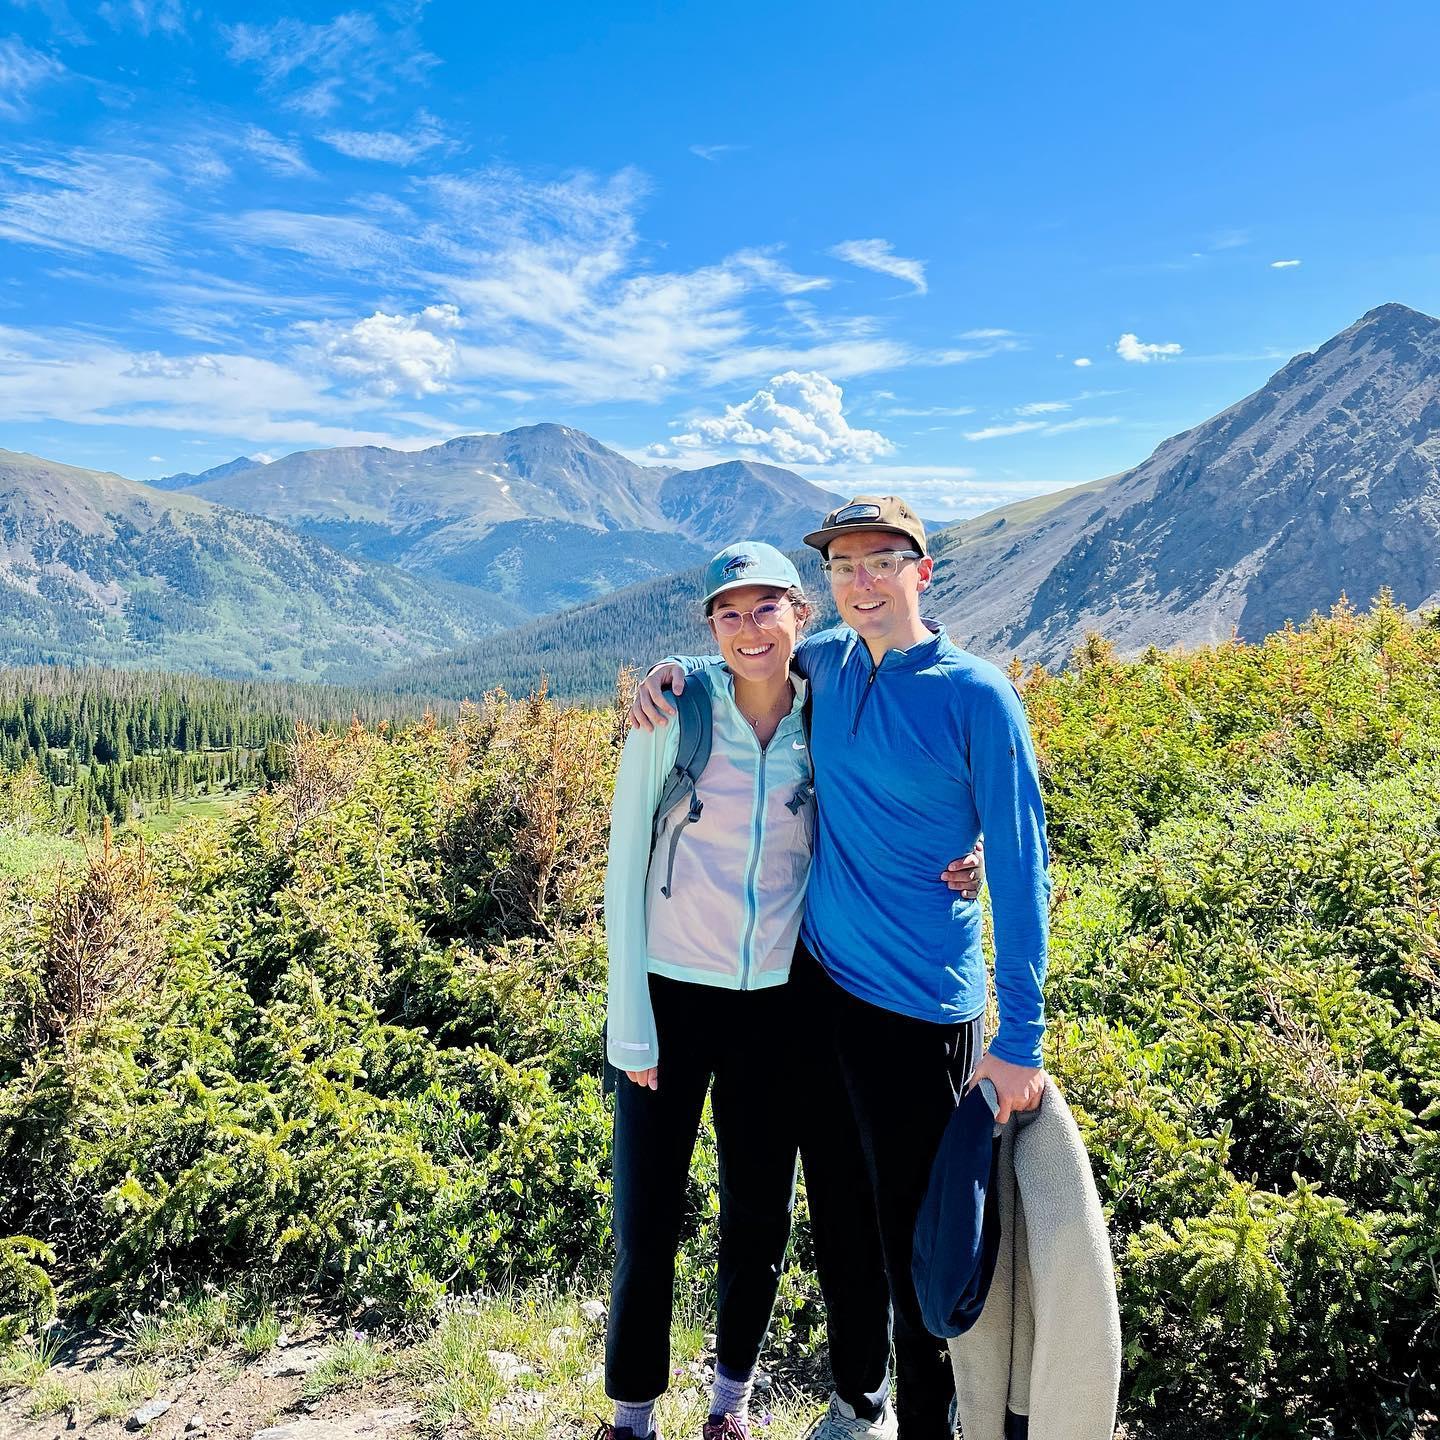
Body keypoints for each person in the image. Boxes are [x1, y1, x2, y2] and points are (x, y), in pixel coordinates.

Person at [630, 497, 1051, 1440]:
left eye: (879, 562)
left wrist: (1019, 1036)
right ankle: (859, 1399)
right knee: (841, 1221)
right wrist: (674, 674)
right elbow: (751, 655)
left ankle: (931, 1424)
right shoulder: (827, 664)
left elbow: (1024, 864)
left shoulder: (977, 693)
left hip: (922, 1008)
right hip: (820, 991)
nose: (860, 581)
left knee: (920, 1244)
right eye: (843, 566)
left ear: (921, 571)